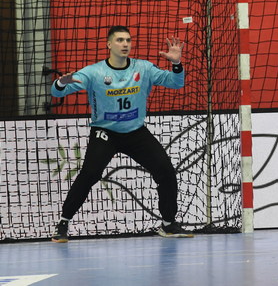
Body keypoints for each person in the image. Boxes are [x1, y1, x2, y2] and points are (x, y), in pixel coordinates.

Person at [50, 26, 193, 242]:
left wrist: (176, 63)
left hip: (135, 132)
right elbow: (56, 91)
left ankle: (168, 224)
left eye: (128, 40)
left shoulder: (143, 68)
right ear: (109, 44)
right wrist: (62, 81)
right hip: (105, 132)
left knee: (165, 170)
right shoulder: (94, 72)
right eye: (119, 40)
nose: (125, 44)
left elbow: (176, 83)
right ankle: (63, 223)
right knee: (90, 174)